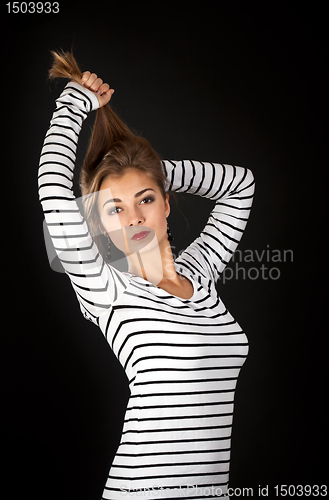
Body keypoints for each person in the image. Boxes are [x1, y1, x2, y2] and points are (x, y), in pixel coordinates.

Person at [38, 50, 255, 500]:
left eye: (147, 200)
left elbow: (241, 184)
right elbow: (51, 190)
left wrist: (151, 172)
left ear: (167, 202)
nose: (134, 217)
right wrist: (75, 102)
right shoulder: (106, 287)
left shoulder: (202, 270)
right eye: (114, 209)